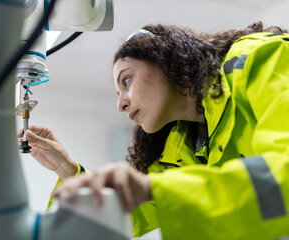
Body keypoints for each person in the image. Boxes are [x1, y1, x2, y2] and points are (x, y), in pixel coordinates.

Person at [19, 21, 289, 239]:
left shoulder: (259, 59)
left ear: (166, 60)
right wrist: (67, 168)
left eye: (126, 80)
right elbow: (132, 215)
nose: (120, 103)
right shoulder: (181, 147)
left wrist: (156, 188)